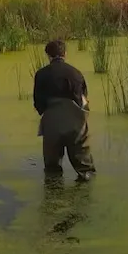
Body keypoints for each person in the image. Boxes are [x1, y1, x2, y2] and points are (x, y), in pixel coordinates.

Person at [32, 39, 96, 181]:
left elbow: (38, 103)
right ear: (65, 54)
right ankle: (84, 190)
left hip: (52, 123)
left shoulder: (41, 74)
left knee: (52, 171)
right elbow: (83, 99)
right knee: (85, 170)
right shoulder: (76, 73)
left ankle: (55, 193)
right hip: (75, 123)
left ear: (48, 55)